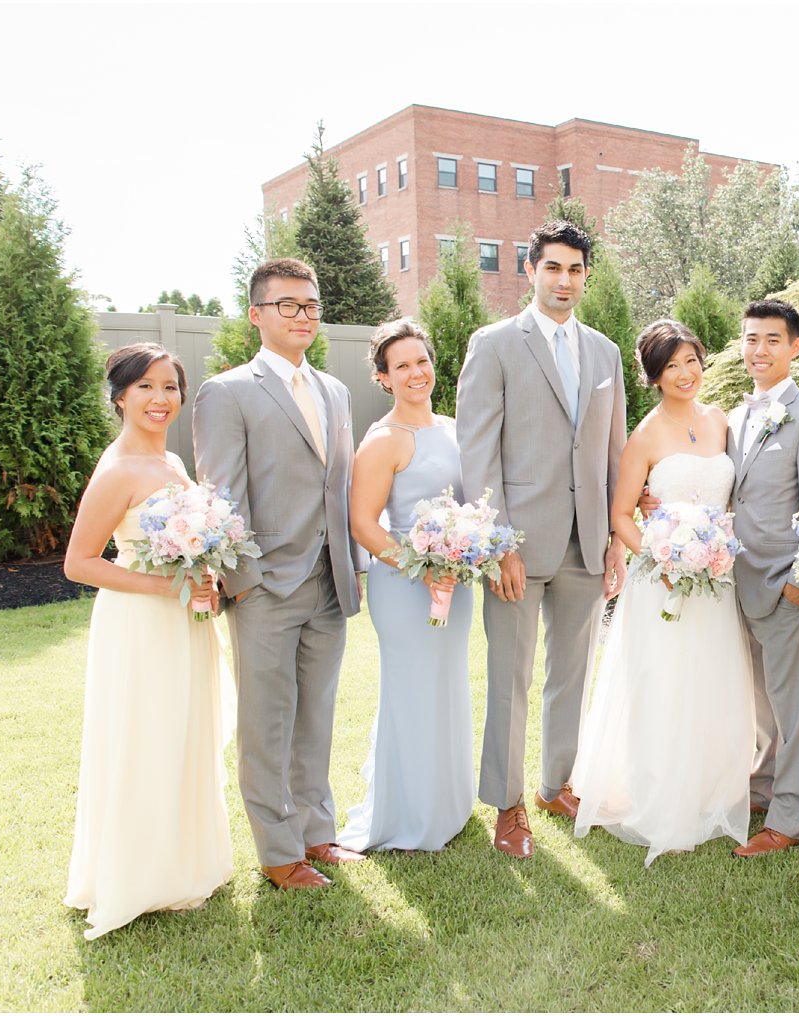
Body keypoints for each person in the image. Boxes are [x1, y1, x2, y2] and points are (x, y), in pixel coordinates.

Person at [193, 258, 367, 890]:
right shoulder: (229, 391)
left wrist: (351, 564)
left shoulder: (337, 392)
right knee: (268, 722)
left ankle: (316, 832)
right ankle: (276, 852)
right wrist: (247, 581)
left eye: (311, 305)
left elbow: (340, 488)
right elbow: (223, 496)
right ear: (256, 315)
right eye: (288, 305)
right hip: (265, 586)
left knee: (316, 714)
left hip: (330, 581)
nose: (303, 316)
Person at [456, 220, 628, 858]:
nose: (564, 280)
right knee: (511, 677)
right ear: (530, 271)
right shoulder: (494, 344)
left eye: (575, 269)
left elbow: (614, 452)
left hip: (588, 541)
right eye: (552, 267)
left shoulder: (606, 353)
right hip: (518, 545)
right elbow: (479, 453)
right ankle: (508, 805)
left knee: (572, 673)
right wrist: (498, 543)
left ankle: (559, 784)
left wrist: (614, 536)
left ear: (587, 275)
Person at [63, 343, 233, 938]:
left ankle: (184, 861)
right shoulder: (118, 470)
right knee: (145, 736)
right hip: (139, 623)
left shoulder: (174, 465)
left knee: (184, 732)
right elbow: (79, 563)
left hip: (183, 619)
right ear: (120, 397)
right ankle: (139, 874)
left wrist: (204, 572)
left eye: (170, 387)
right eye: (147, 388)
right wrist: (161, 588)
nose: (161, 399)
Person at [571, 320, 755, 865]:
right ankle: (660, 797)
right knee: (664, 684)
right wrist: (663, 554)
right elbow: (621, 514)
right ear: (654, 375)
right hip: (666, 582)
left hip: (716, 581)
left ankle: (712, 791)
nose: (685, 374)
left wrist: (710, 551)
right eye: (671, 365)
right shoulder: (645, 435)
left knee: (712, 680)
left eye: (692, 360)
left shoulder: (722, 421)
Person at [337, 320, 475, 853]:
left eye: (422, 361)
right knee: (413, 691)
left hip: (453, 583)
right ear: (383, 377)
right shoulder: (383, 441)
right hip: (404, 585)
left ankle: (449, 803)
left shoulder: (455, 426)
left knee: (447, 686)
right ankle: (410, 815)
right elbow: (364, 524)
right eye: (402, 366)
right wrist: (421, 565)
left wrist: (465, 552)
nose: (416, 373)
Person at [727, 300, 799, 858]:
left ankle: (791, 814)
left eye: (773, 339)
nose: (760, 350)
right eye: (751, 339)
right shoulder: (734, 415)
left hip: (786, 583)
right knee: (761, 699)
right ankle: (763, 786)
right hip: (738, 580)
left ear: (795, 347)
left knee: (792, 704)